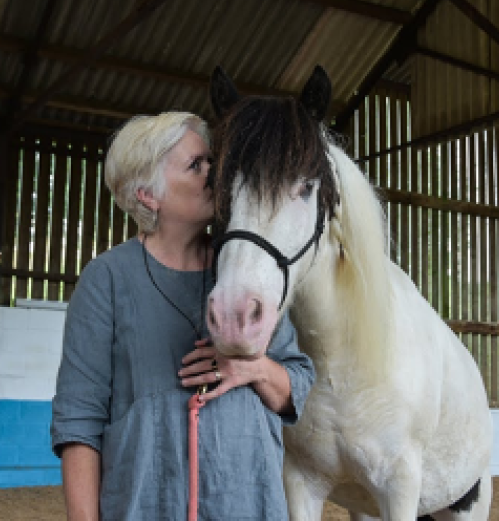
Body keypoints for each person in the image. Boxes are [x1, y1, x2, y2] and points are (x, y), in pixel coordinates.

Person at [50, 111, 315, 520]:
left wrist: (253, 369)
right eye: (197, 165)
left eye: (213, 161)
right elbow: (79, 421)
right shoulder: (107, 279)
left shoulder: (248, 270)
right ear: (148, 195)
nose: (215, 172)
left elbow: (296, 384)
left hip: (249, 506)